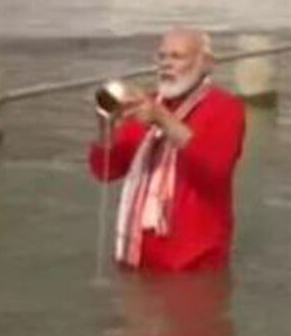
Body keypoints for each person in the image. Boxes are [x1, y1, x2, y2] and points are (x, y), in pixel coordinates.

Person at [88, 29, 246, 273]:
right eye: (162, 57)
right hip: (135, 259)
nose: (166, 64)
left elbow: (214, 169)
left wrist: (162, 119)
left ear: (206, 63)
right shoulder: (147, 106)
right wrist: (106, 127)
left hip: (194, 267)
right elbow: (105, 171)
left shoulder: (225, 107)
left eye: (177, 57)